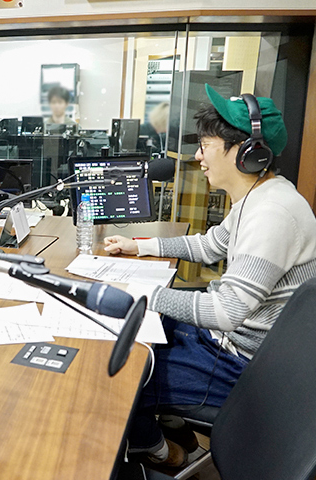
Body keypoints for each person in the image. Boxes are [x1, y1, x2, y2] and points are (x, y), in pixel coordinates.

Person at [104, 85, 316, 468]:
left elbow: (226, 311)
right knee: (140, 337)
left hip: (241, 366)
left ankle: (163, 453)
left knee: (121, 372)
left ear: (247, 152)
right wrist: (141, 247)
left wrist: (140, 293)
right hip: (225, 343)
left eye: (205, 145)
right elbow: (210, 246)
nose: (198, 157)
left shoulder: (273, 214)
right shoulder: (260, 197)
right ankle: (175, 428)